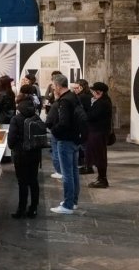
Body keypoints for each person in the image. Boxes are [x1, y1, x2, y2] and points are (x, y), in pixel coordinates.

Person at [48, 74, 81, 214]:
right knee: (73, 172)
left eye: (54, 86)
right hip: (74, 139)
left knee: (67, 174)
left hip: (66, 140)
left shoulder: (65, 101)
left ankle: (67, 205)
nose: (53, 89)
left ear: (58, 86)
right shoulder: (73, 96)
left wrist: (53, 130)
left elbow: (64, 123)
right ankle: (72, 202)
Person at [7, 87, 42, 219]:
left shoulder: (16, 119)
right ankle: (33, 208)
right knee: (33, 181)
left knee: (22, 182)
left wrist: (13, 147)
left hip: (21, 154)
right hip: (35, 153)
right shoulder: (36, 117)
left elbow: (11, 140)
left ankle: (21, 209)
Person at [85, 82, 113, 188]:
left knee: (99, 157)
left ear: (99, 92)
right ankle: (101, 178)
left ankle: (102, 179)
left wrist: (91, 105)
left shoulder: (102, 103)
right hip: (98, 132)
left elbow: (91, 116)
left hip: (98, 133)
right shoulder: (104, 100)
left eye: (94, 91)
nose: (92, 93)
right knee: (98, 156)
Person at [74, 79, 92, 171]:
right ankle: (86, 164)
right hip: (88, 123)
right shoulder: (89, 95)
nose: (74, 90)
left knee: (84, 145)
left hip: (83, 124)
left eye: (76, 88)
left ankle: (87, 165)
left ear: (81, 87)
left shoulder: (82, 97)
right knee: (85, 145)